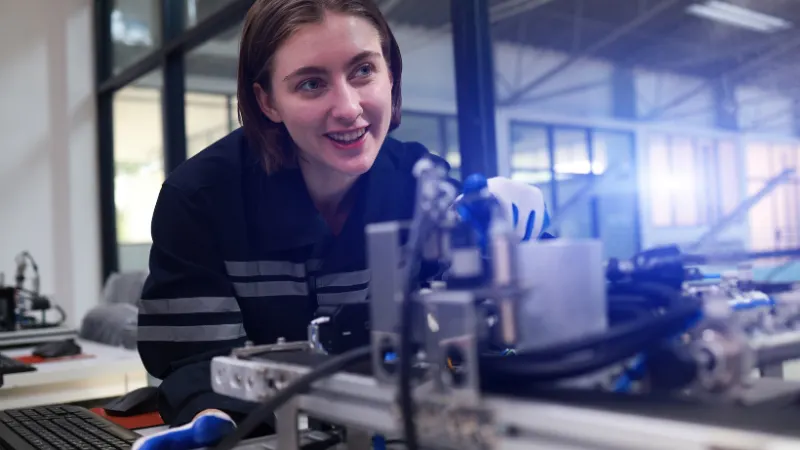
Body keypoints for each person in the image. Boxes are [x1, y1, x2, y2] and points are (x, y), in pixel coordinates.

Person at [136, 0, 550, 439]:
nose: (349, 107)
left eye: (363, 70)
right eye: (311, 84)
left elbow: (495, 328)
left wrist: (516, 248)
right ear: (268, 101)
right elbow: (195, 363)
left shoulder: (420, 183)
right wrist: (214, 423)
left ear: (391, 74)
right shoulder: (200, 200)